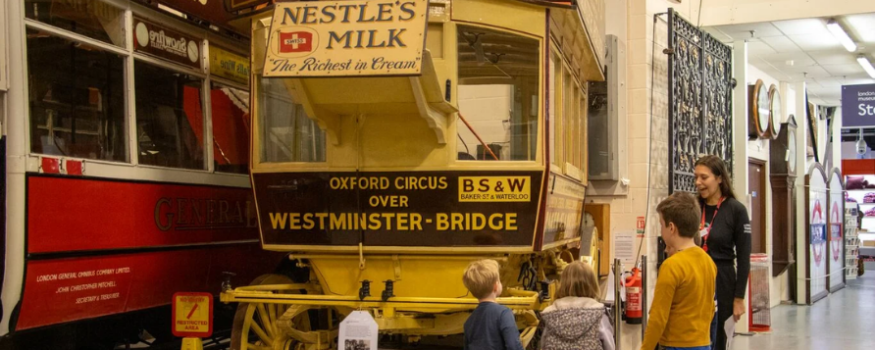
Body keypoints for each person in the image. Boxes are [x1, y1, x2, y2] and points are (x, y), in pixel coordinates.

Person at [641, 192, 717, 350]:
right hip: (703, 343)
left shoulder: (671, 266)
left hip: (676, 345)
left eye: (661, 225)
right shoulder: (708, 262)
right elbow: (710, 309)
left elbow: (658, 317)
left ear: (671, 228)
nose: (661, 230)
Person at [693, 155, 751, 350]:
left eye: (704, 177)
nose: (698, 183)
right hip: (696, 278)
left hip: (722, 280)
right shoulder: (693, 208)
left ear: (719, 178)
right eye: (696, 177)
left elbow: (744, 258)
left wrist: (739, 298)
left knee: (719, 339)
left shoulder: (736, 210)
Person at [541, 261, 615, 350]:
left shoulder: (549, 316)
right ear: (592, 284)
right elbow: (610, 347)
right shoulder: (600, 316)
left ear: (563, 284)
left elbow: (543, 345)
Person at [462, 259, 524, 350]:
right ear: (495, 286)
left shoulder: (469, 321)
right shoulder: (504, 313)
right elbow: (513, 345)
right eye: (499, 281)